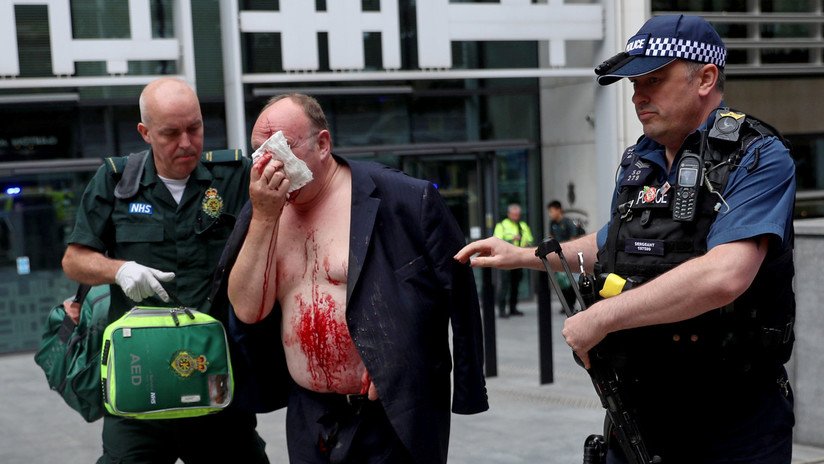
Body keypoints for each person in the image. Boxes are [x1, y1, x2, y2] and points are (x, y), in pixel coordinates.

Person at [455, 14, 795, 464]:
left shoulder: (758, 155)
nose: (638, 95)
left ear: (706, 78)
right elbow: (611, 243)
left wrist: (602, 318)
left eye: (654, 78)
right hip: (638, 412)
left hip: (731, 418)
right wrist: (523, 255)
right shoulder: (640, 158)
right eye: (634, 82)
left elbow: (725, 275)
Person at [224, 93, 488, 464]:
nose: (271, 163)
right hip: (309, 411)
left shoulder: (403, 199)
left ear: (323, 144)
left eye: (283, 146)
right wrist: (265, 218)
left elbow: (454, 296)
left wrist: (399, 361)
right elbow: (248, 310)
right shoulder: (264, 208)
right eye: (259, 151)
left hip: (389, 411)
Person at [61, 77, 269, 463]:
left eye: (195, 128)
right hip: (140, 380)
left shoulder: (234, 175)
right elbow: (74, 258)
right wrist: (120, 270)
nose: (187, 143)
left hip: (214, 378)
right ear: (145, 132)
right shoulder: (116, 180)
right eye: (171, 133)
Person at [492, 203, 534, 318]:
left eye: (517, 214)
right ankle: (501, 310)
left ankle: (513, 308)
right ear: (509, 214)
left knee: (516, 284)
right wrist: (511, 239)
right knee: (505, 285)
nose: (516, 216)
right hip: (506, 259)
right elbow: (497, 241)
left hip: (519, 258)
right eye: (514, 214)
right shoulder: (502, 225)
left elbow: (530, 239)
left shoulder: (523, 225)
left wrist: (526, 243)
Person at [547, 200, 586, 312]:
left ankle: (571, 305)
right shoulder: (552, 224)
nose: (550, 214)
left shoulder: (568, 223)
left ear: (559, 210)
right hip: (557, 256)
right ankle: (566, 305)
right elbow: (551, 237)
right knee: (562, 283)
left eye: (551, 211)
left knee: (571, 282)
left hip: (568, 256)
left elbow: (573, 240)